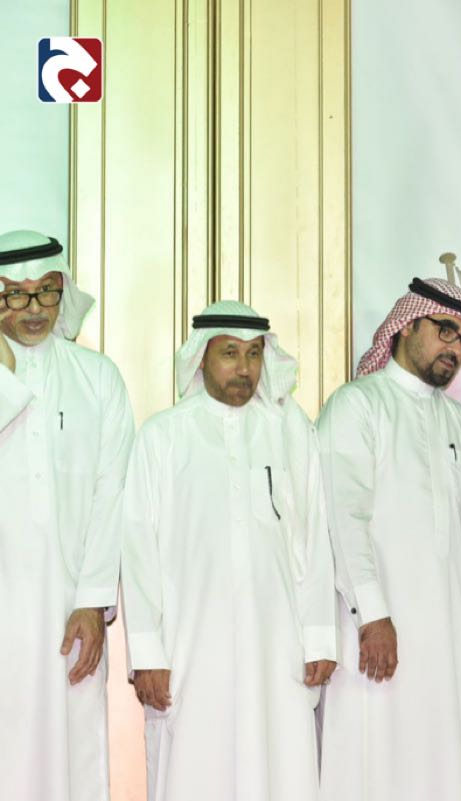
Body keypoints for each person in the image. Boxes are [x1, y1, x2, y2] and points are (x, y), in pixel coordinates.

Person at [121, 301, 337, 800]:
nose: (244, 368)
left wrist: (319, 638)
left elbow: (313, 537)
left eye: (255, 354)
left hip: (277, 646)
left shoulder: (290, 431)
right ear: (201, 358)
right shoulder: (163, 436)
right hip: (190, 645)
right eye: (230, 354)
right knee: (196, 767)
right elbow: (138, 550)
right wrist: (148, 653)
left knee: (280, 765)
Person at [318, 278, 461, 801]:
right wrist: (373, 614)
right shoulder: (357, 404)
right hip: (378, 628)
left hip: (450, 635)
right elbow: (343, 517)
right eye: (445, 331)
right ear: (406, 325)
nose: (455, 348)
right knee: (378, 763)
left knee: (444, 760)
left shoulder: (459, 421)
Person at [0, 230, 134, 801]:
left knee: (74, 753)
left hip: (69, 612)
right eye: (15, 294)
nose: (34, 308)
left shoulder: (97, 378)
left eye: (46, 292)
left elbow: (112, 494)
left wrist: (93, 600)